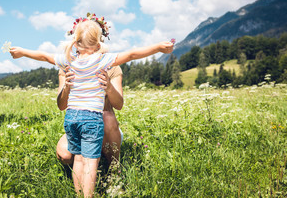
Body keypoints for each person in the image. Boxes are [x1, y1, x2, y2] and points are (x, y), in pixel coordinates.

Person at [9, 13, 174, 197]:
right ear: (98, 44)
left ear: (76, 43)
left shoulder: (68, 61)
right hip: (91, 119)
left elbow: (44, 56)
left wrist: (22, 52)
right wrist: (159, 47)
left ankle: (80, 194)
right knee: (90, 163)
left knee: (79, 160)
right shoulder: (102, 60)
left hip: (71, 118)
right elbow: (133, 54)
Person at [56, 65, 124, 168]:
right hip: (80, 127)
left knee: (107, 116)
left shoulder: (112, 67)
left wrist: (109, 86)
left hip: (106, 129)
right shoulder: (67, 67)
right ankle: (91, 158)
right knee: (65, 156)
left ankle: (114, 167)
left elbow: (119, 105)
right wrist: (67, 87)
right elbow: (61, 106)